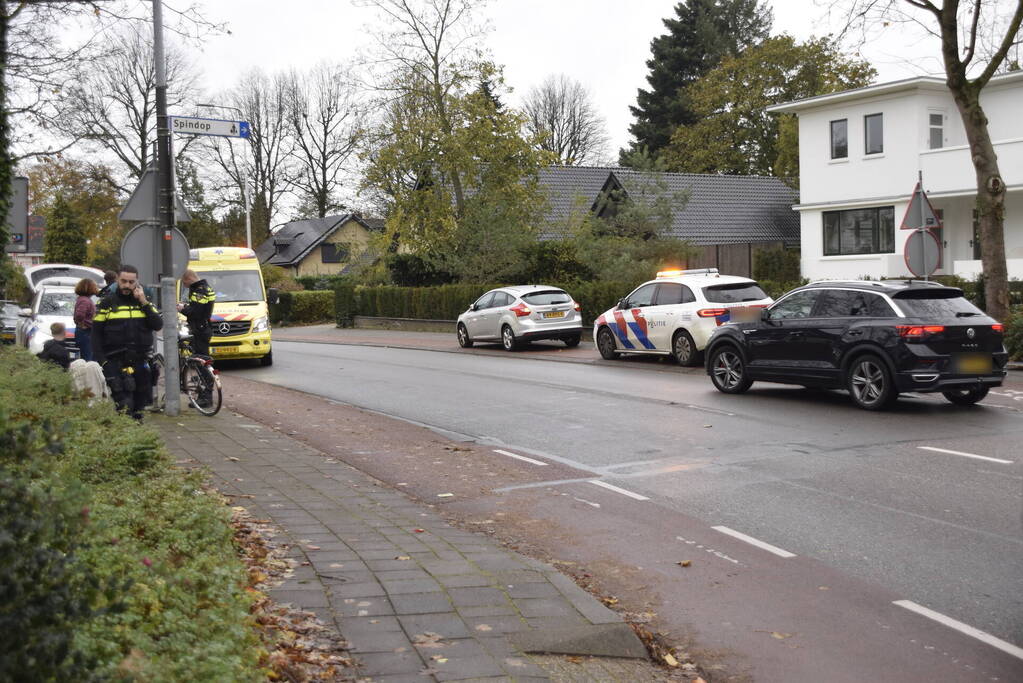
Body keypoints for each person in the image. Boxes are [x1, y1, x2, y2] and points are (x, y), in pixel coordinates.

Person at [92, 265, 163, 420]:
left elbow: (158, 325)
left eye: (131, 282)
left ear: (136, 282)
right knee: (124, 407)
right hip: (115, 362)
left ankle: (136, 438)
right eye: (124, 281)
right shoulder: (107, 303)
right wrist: (103, 362)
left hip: (140, 362)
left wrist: (143, 301)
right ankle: (126, 436)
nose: (127, 285)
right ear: (117, 279)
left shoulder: (143, 303)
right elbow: (95, 335)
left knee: (139, 409)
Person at [177, 269, 215, 357]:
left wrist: (182, 309)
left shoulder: (199, 291)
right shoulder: (206, 287)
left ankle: (206, 370)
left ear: (189, 279)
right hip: (204, 327)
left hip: (200, 329)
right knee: (203, 356)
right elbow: (198, 307)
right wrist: (186, 306)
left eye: (184, 282)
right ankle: (206, 369)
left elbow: (196, 312)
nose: (184, 285)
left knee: (200, 358)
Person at [73, 277, 99, 361]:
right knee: (88, 358)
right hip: (86, 333)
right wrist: (82, 325)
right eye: (94, 286)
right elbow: (79, 315)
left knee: (88, 357)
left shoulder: (83, 299)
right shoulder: (85, 301)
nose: (96, 288)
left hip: (86, 332)